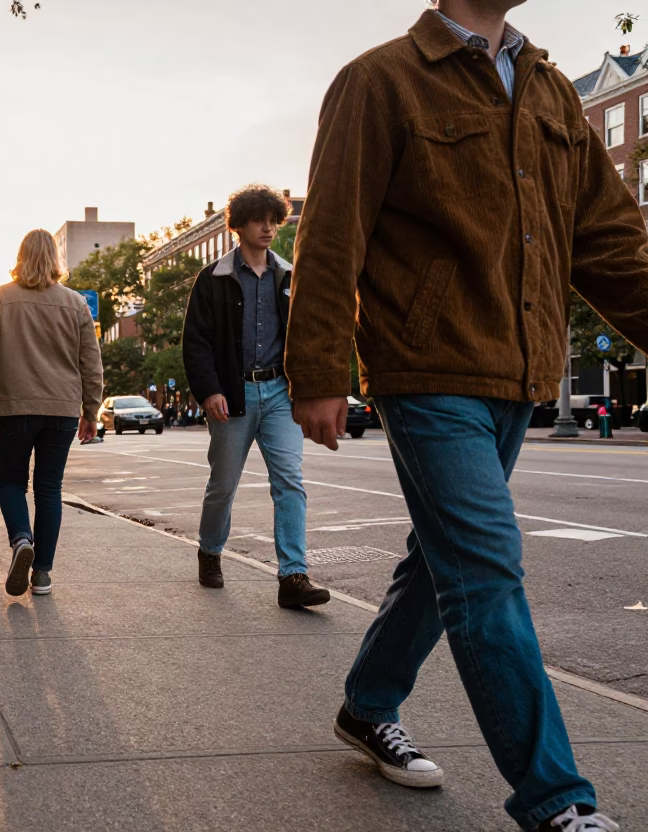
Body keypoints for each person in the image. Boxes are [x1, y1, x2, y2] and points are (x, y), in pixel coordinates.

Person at [285, 2, 648, 829]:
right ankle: (557, 799)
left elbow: (612, 246)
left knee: (442, 556)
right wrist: (316, 369)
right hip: (426, 368)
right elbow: (332, 233)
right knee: (486, 570)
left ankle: (368, 700)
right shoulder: (379, 81)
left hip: (519, 369)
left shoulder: (553, 94)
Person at [182, 184, 329, 609]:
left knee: (289, 483)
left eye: (273, 220)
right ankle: (210, 551)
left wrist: (306, 389)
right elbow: (196, 343)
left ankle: (293, 576)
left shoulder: (288, 277)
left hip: (280, 394)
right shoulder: (213, 280)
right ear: (239, 225)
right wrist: (209, 391)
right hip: (233, 395)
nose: (268, 228)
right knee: (223, 485)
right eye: (258, 220)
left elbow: (304, 337)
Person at [0, 230, 103, 597]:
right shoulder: (76, 304)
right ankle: (41, 573)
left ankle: (21, 540)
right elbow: (91, 363)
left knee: (11, 483)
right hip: (62, 410)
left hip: (13, 408)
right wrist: (91, 410)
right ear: (56, 259)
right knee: (48, 489)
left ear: (21, 256)